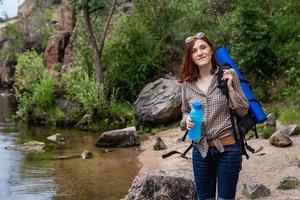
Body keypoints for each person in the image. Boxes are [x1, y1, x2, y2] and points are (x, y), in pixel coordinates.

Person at [178, 32, 249, 200]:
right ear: (191, 57)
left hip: (229, 149)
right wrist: (186, 120)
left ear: (211, 50)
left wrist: (230, 89)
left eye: (203, 47)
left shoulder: (227, 74)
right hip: (200, 150)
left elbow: (243, 110)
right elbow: (184, 113)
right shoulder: (187, 84)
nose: (200, 53)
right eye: (194, 51)